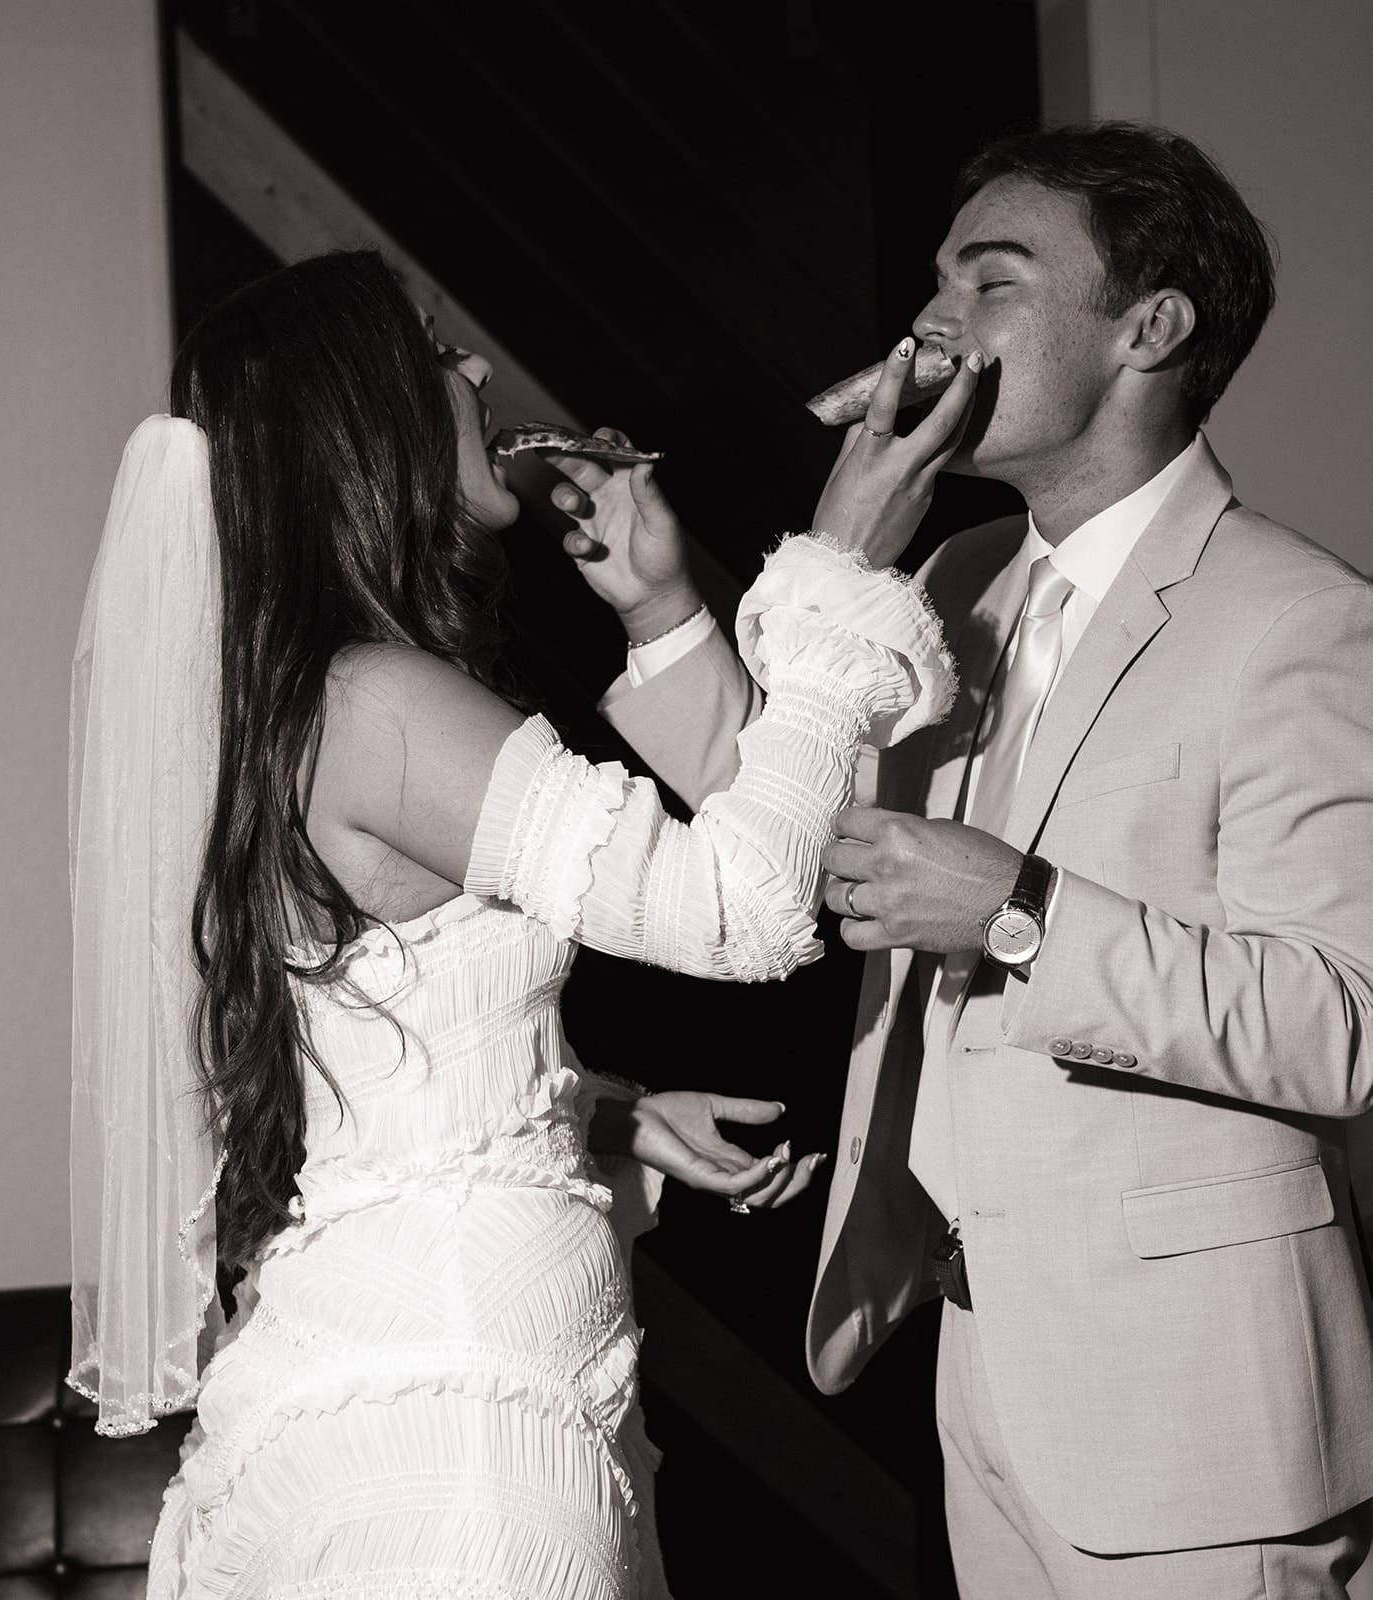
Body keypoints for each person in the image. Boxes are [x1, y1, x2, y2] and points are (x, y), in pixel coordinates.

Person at [66, 250, 971, 1599]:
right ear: (362, 420)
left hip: (423, 1367)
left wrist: (598, 1116)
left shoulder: (295, 699)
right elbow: (747, 909)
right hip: (459, 1425)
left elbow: (376, 1048)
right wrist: (838, 565)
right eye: (435, 352)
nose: (477, 370)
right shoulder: (375, 699)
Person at [567, 123, 1373, 1596]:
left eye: (990, 281)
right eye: (936, 281)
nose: (931, 323)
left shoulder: (1298, 618)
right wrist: (666, 613)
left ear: (1149, 326)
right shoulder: (952, 586)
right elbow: (802, 847)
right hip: (978, 1380)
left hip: (1197, 1423)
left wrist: (1016, 913)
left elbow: (1343, 1022)